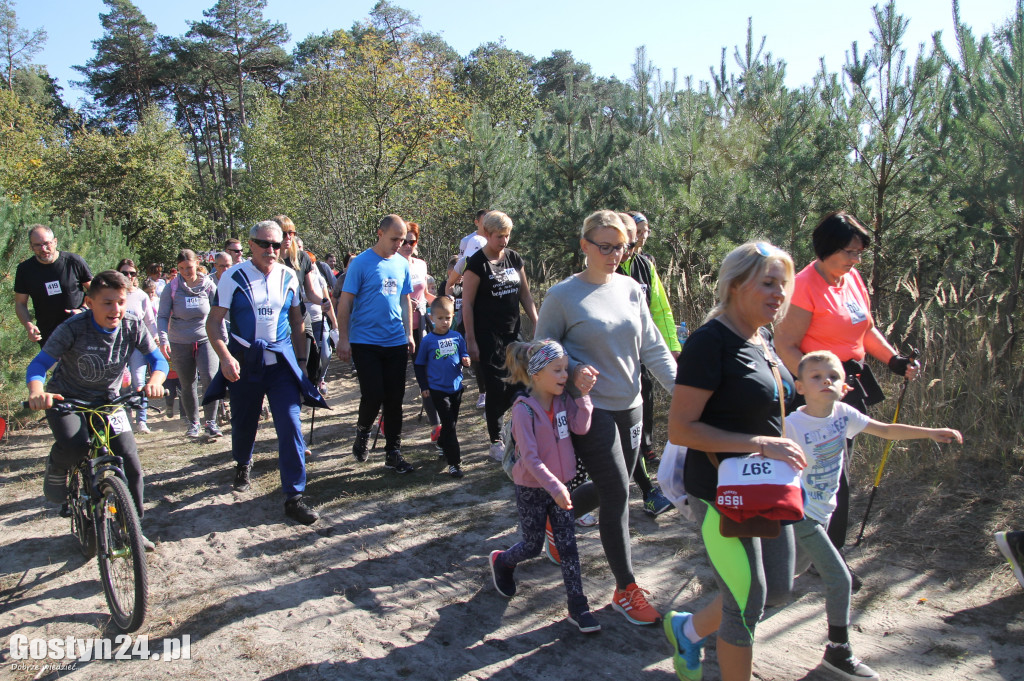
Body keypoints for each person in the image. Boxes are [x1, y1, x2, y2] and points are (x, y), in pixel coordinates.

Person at [663, 241, 803, 681]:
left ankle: (686, 629)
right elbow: (681, 429)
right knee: (746, 603)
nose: (778, 294)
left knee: (777, 589)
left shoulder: (761, 339)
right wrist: (761, 444)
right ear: (736, 285)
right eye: (767, 283)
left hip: (767, 486)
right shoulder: (710, 342)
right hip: (721, 492)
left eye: (783, 285)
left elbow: (764, 405)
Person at [777, 350, 961, 680]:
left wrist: (930, 432)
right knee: (840, 579)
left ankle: (704, 623)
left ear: (844, 386)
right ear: (800, 386)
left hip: (823, 514)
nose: (826, 381)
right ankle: (838, 652)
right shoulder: (791, 425)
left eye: (832, 376)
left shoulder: (844, 415)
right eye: (816, 376)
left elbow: (887, 431)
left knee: (777, 583)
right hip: (800, 515)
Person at [534, 209, 675, 626]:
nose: (615, 254)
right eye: (605, 246)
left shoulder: (632, 288)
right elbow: (541, 347)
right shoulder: (563, 295)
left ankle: (557, 516)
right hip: (588, 409)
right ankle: (625, 589)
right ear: (585, 245)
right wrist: (572, 367)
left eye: (622, 247)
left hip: (632, 402)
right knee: (617, 495)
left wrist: (684, 392)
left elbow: (653, 347)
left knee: (621, 481)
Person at [775, 211, 919, 558]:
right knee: (819, 474)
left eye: (859, 253)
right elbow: (785, 344)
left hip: (847, 386)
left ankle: (826, 551)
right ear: (827, 249)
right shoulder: (806, 285)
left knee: (837, 473)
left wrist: (894, 360)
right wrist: (817, 385)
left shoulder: (851, 280)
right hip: (816, 397)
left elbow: (865, 330)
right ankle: (812, 552)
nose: (856, 260)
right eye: (850, 252)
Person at [26, 270, 167, 550]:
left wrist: (154, 382)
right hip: (67, 400)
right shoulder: (73, 328)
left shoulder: (132, 324)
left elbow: (158, 361)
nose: (115, 309)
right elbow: (39, 365)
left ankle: (133, 529)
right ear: (90, 303)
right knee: (75, 445)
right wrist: (37, 392)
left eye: (120, 302)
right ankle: (59, 464)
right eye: (107, 303)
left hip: (109, 401)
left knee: (130, 461)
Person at [204, 220, 327, 525]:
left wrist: (300, 362)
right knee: (244, 422)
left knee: (290, 424)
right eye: (265, 244)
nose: (272, 250)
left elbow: (298, 321)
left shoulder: (289, 276)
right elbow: (213, 322)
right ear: (251, 245)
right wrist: (225, 357)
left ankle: (295, 496)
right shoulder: (233, 276)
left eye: (277, 243)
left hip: (281, 364)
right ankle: (243, 462)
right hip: (245, 362)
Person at [488, 339, 600, 634]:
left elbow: (579, 427)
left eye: (565, 369)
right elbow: (531, 459)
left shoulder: (563, 402)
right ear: (537, 374)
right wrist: (555, 488)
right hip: (532, 487)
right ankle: (502, 561)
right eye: (558, 370)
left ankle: (578, 606)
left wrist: (584, 398)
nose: (565, 376)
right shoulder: (523, 412)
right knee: (532, 545)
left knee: (569, 546)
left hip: (559, 487)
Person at [337, 214, 416, 474]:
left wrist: (409, 334)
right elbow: (345, 302)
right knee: (373, 394)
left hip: (394, 340)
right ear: (380, 233)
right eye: (394, 239)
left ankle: (393, 451)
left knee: (395, 398)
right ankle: (362, 432)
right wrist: (343, 338)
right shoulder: (360, 263)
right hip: (365, 341)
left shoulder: (402, 264)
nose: (398, 244)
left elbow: (405, 300)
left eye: (402, 240)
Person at [462, 211, 539, 460]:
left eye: (507, 236)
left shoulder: (514, 259)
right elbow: (467, 305)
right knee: (495, 388)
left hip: (513, 334)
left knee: (520, 384)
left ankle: (518, 431)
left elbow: (525, 295)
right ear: (486, 234)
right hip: (487, 337)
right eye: (499, 236)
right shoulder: (476, 264)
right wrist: (471, 340)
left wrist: (537, 322)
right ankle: (496, 439)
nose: (504, 241)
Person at [617, 211, 678, 516]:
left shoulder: (644, 266)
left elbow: (660, 311)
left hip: (637, 358)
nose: (631, 246)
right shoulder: (583, 281)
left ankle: (647, 490)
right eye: (625, 242)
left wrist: (674, 348)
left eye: (636, 238)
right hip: (602, 372)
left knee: (634, 427)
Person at [158, 249, 222, 439]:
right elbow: (162, 316)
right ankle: (193, 423)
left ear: (197, 264)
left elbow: (218, 314)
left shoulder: (208, 285)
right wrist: (163, 339)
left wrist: (223, 340)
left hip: (205, 339)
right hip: (179, 341)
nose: (186, 271)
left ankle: (211, 422)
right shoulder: (172, 288)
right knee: (187, 383)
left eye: (190, 267)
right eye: (182, 268)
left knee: (210, 378)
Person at [414, 296, 470, 477]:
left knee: (451, 423)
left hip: (456, 387)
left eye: (448, 317)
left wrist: (466, 359)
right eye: (440, 318)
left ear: (453, 316)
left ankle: (441, 443)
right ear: (431, 318)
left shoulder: (457, 337)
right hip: (437, 389)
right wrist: (424, 386)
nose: (444, 322)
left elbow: (463, 353)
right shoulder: (428, 341)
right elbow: (419, 364)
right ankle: (454, 463)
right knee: (450, 425)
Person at [14, 225, 93, 345]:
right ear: (31, 247)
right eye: (37, 245)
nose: (44, 248)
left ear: (55, 242)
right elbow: (20, 303)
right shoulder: (25, 269)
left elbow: (96, 291)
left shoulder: (74, 262)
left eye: (47, 243)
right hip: (49, 335)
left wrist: (83, 309)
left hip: (80, 328)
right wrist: (29, 325)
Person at [400, 221, 440, 438]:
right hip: (396, 328)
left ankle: (436, 425)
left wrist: (443, 302)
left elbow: (424, 295)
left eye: (411, 241)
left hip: (420, 327)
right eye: (403, 241)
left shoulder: (421, 265)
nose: (407, 245)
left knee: (425, 375)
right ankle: (386, 415)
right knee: (395, 378)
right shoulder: (391, 263)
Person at [447, 209, 490, 409]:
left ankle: (490, 389)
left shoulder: (496, 257)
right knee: (468, 346)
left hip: (490, 313)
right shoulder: (465, 258)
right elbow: (449, 284)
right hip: (467, 309)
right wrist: (455, 293)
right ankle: (481, 390)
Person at [117, 259, 159, 433]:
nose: (128, 276)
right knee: (121, 385)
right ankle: (125, 419)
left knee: (139, 381)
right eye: (125, 272)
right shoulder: (114, 294)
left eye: (132, 273)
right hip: (116, 347)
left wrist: (155, 337)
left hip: (136, 346)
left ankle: (141, 420)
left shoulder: (141, 295)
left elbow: (149, 320)